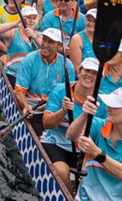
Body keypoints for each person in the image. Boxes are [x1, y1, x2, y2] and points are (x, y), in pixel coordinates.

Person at [66, 87, 122, 201]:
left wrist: (96, 152)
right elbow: (71, 135)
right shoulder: (99, 124)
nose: (107, 108)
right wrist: (85, 115)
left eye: (114, 106)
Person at [41, 57, 99, 191]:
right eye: (87, 70)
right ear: (79, 71)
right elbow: (46, 124)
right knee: (61, 172)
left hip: (83, 149)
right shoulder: (60, 91)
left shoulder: (100, 101)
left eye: (94, 73)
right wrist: (63, 111)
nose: (89, 75)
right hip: (56, 143)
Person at [14, 28, 76, 136]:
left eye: (51, 42)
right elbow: (19, 91)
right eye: (44, 40)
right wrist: (26, 106)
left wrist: (50, 104)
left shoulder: (68, 65)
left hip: (56, 110)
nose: (45, 45)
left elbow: (69, 93)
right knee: (40, 138)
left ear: (59, 46)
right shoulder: (30, 60)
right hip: (34, 109)